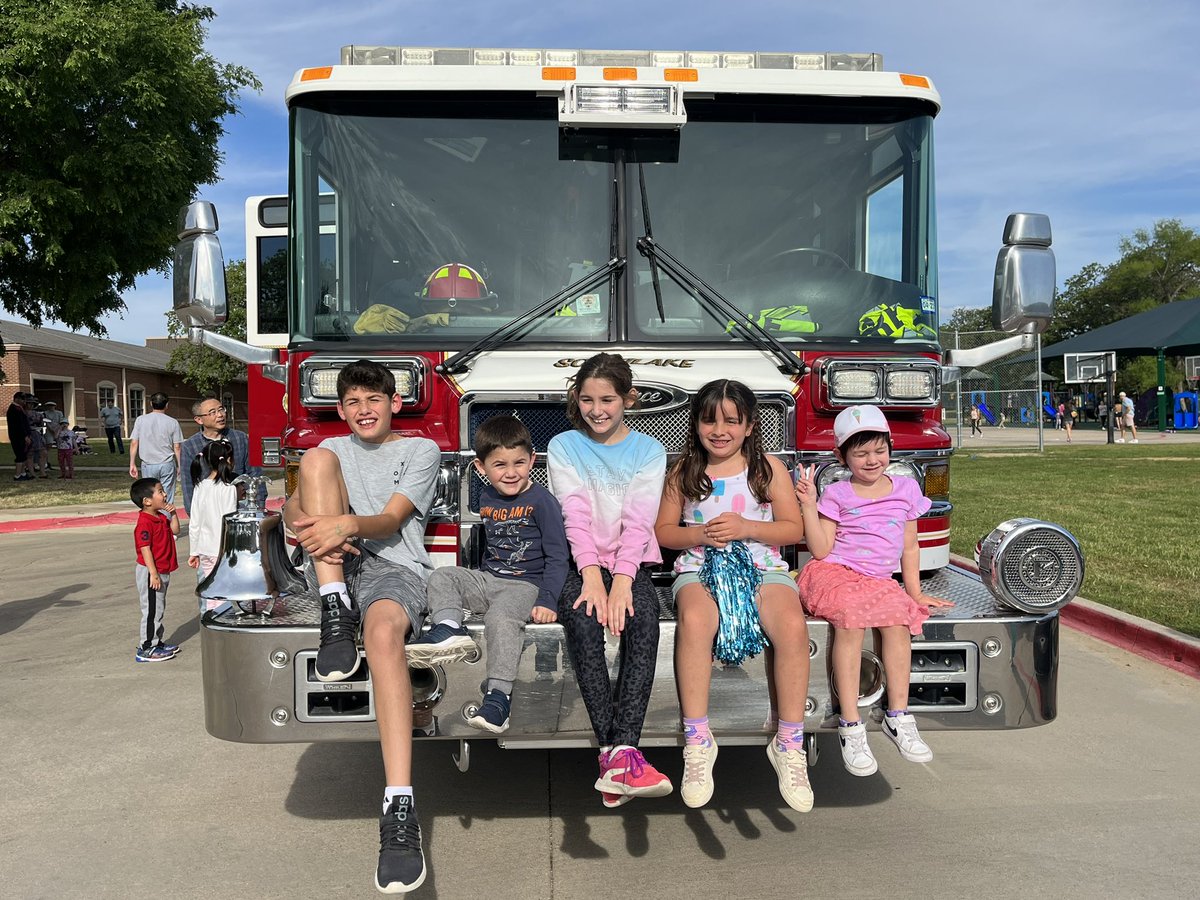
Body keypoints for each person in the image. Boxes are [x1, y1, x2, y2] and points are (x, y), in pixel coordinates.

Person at [281, 359, 439, 893]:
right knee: (317, 461)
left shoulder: (421, 450)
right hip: (337, 562)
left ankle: (399, 809)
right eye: (351, 402)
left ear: (395, 403)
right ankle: (333, 607)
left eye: (373, 400)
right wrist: (308, 514)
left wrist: (346, 523)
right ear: (340, 408)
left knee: (383, 634)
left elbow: (392, 521)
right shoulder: (330, 453)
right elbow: (292, 516)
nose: (363, 410)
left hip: (395, 566)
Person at [654, 380, 813, 812]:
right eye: (709, 419)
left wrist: (747, 528)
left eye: (731, 420)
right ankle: (698, 740)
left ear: (749, 425)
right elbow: (665, 533)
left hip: (764, 569)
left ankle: (789, 742)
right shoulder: (684, 471)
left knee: (793, 627)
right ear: (696, 424)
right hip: (698, 569)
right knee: (695, 622)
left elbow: (793, 528)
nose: (719, 429)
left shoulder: (767, 469)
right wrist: (700, 535)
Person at [794, 405, 954, 777]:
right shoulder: (836, 494)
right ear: (841, 456)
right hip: (836, 573)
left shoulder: (907, 489)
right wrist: (808, 506)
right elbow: (820, 550)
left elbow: (910, 547)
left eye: (879, 450)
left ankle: (898, 716)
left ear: (890, 447)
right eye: (861, 452)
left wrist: (913, 593)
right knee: (851, 621)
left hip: (879, 579)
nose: (872, 460)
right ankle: (851, 725)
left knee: (899, 623)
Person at [547, 352, 673, 808]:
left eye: (607, 399)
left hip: (631, 561)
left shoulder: (649, 450)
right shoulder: (564, 446)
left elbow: (640, 520)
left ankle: (622, 751)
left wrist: (621, 580)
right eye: (586, 399)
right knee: (582, 621)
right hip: (577, 562)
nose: (596, 410)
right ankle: (615, 755)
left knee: (645, 621)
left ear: (628, 399)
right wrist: (592, 579)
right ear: (575, 400)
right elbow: (575, 514)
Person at [407, 415, 569, 733]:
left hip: (526, 584)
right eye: (500, 465)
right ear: (481, 468)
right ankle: (450, 629)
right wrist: (476, 585)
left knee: (500, 619)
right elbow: (493, 544)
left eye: (519, 462)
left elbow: (559, 556)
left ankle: (498, 699)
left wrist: (549, 600)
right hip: (490, 578)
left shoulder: (542, 502)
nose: (511, 473)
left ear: (532, 460)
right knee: (443, 576)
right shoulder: (488, 497)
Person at [180, 396, 263, 516]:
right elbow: (188, 483)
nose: (220, 415)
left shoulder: (240, 438)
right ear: (199, 420)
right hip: (209, 510)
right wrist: (193, 513)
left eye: (221, 410)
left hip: (241, 507)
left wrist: (259, 505)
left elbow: (254, 473)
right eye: (212, 412)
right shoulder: (190, 446)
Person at [130, 477, 181, 663]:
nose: (165, 494)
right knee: (151, 610)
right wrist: (153, 573)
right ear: (147, 501)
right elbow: (145, 549)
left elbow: (176, 531)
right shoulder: (145, 522)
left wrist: (174, 514)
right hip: (151, 572)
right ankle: (146, 648)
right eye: (160, 491)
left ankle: (156, 641)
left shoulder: (160, 517)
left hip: (162, 570)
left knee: (159, 608)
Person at [187, 439, 239, 585]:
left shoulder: (200, 486)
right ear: (229, 460)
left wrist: (194, 551)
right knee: (225, 588)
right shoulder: (229, 489)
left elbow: (195, 522)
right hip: (223, 549)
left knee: (211, 587)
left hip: (204, 548)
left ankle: (210, 609)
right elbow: (230, 522)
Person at [129, 392, 183, 502]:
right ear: (167, 405)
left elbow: (134, 443)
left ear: (151, 404)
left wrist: (132, 463)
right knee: (167, 497)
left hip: (148, 464)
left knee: (150, 496)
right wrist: (180, 465)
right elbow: (177, 447)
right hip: (167, 463)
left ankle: (153, 518)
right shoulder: (173, 422)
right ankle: (166, 518)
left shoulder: (140, 420)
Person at [8, 392, 33, 482]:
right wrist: (25, 436)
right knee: (20, 455)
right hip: (18, 437)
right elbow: (19, 425)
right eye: (22, 399)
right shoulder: (13, 409)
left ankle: (23, 473)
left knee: (24, 455)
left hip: (23, 436)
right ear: (16, 399)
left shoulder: (19, 408)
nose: (24, 401)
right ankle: (17, 475)